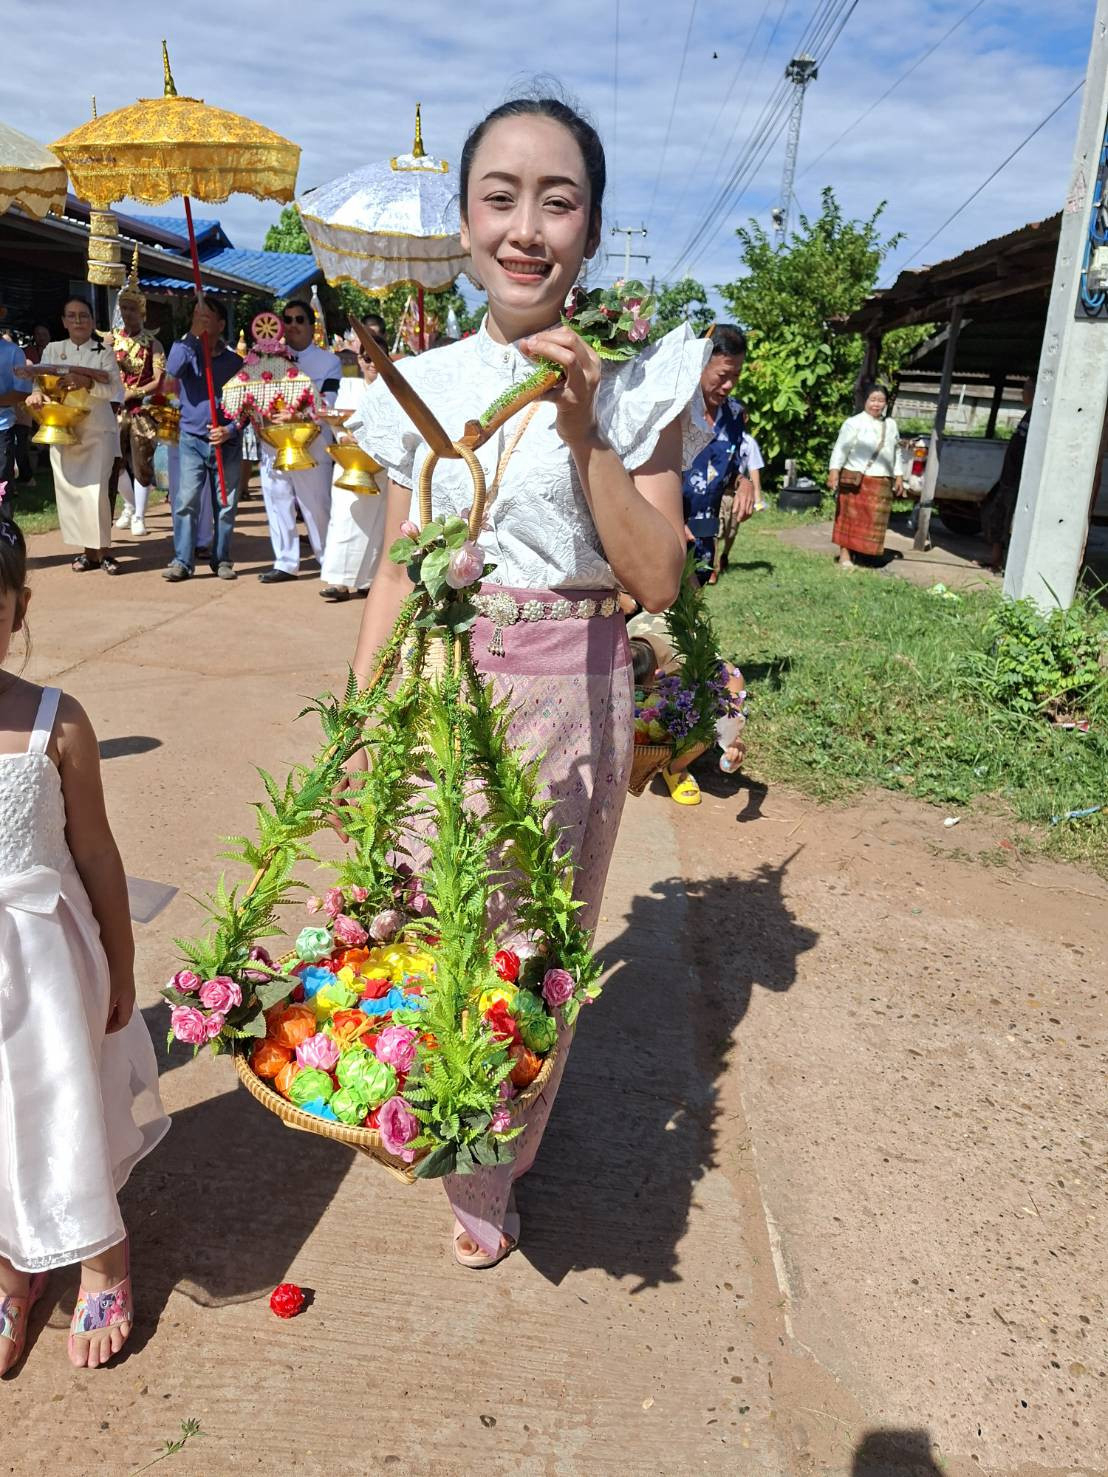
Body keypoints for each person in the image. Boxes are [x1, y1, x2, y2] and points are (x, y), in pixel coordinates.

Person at [346, 95, 709, 1267]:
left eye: (557, 201)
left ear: (591, 232)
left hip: (568, 682)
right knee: (427, 913)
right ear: (462, 223)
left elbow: (656, 577)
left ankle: (492, 1158)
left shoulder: (641, 383)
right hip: (436, 681)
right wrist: (361, 717)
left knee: (530, 942)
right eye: (498, 196)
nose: (525, 227)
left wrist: (585, 426)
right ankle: (432, 1097)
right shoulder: (421, 381)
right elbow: (399, 568)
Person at [0, 516, 169, 1374]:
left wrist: (123, 961)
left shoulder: (55, 723)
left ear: (18, 609)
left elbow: (96, 849)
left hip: (44, 961)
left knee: (65, 1100)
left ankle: (101, 1248)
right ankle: (11, 1260)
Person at [25, 298, 125, 574]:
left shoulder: (104, 351)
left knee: (96, 494)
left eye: (83, 316)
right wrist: (37, 395)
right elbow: (41, 383)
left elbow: (112, 390)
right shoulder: (54, 350)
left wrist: (88, 382)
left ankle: (104, 552)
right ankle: (88, 553)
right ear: (64, 321)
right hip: (62, 428)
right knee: (73, 494)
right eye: (72, 316)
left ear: (92, 321)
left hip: (97, 430)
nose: (78, 321)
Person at [257, 298, 342, 584]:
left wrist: (296, 414)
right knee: (277, 499)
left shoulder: (329, 361)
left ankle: (327, 559)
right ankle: (285, 561)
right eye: (287, 320)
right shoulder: (265, 359)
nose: (292, 325)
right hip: (273, 442)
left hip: (312, 443)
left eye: (299, 320)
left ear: (311, 325)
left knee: (315, 504)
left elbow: (328, 402)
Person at [163, 297, 243, 582]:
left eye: (207, 318)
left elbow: (246, 408)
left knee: (226, 503)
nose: (202, 321)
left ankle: (222, 559)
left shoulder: (235, 362)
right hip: (191, 439)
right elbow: (172, 371)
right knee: (185, 500)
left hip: (226, 442)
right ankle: (182, 561)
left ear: (221, 325)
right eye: (198, 316)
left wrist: (230, 429)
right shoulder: (185, 350)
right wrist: (192, 335)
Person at [318, 314, 390, 602]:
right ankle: (337, 582)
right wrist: (346, 439)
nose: (372, 364)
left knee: (375, 526)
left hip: (379, 466)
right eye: (367, 358)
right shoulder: (347, 388)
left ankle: (368, 580)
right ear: (360, 361)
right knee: (342, 522)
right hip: (348, 462)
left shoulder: (395, 392)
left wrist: (370, 440)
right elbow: (336, 422)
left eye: (377, 358)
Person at [682, 325, 754, 584]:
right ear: (699, 364)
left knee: (689, 617)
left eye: (736, 375)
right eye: (723, 375)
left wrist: (743, 483)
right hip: (662, 540)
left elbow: (728, 468)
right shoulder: (673, 410)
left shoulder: (734, 415)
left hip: (704, 537)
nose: (729, 385)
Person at [107, 256, 165, 537]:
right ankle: (129, 505)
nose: (128, 313)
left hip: (140, 411)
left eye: (133, 309)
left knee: (141, 463)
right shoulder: (111, 341)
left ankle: (140, 515)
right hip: (114, 410)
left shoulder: (153, 343)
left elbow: (158, 380)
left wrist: (135, 392)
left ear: (142, 313)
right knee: (113, 462)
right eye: (124, 308)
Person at [828, 383, 905, 570]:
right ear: (866, 401)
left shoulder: (891, 424)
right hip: (857, 479)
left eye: (881, 400)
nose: (876, 404)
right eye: (873, 400)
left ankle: (866, 556)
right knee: (849, 518)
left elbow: (896, 452)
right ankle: (845, 556)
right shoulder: (853, 423)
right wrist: (834, 472)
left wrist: (899, 476)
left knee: (874, 523)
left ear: (886, 403)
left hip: (882, 481)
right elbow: (841, 449)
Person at [980, 375, 1035, 572]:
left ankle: (1010, 567)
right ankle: (995, 560)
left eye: (1026, 389)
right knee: (998, 516)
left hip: (1020, 481)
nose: (1023, 393)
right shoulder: (1028, 415)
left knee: (1011, 523)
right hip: (1008, 478)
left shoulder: (1039, 417)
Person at [715, 427, 765, 577]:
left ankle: (725, 555)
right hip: (719, 492)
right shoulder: (718, 437)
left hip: (737, 493)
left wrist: (757, 498)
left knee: (731, 530)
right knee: (716, 530)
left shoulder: (749, 443)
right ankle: (714, 566)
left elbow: (754, 470)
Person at [0, 331, 29, 498]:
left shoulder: (13, 352)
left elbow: (22, 391)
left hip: (2, 428)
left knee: (2, 489)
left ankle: (4, 524)